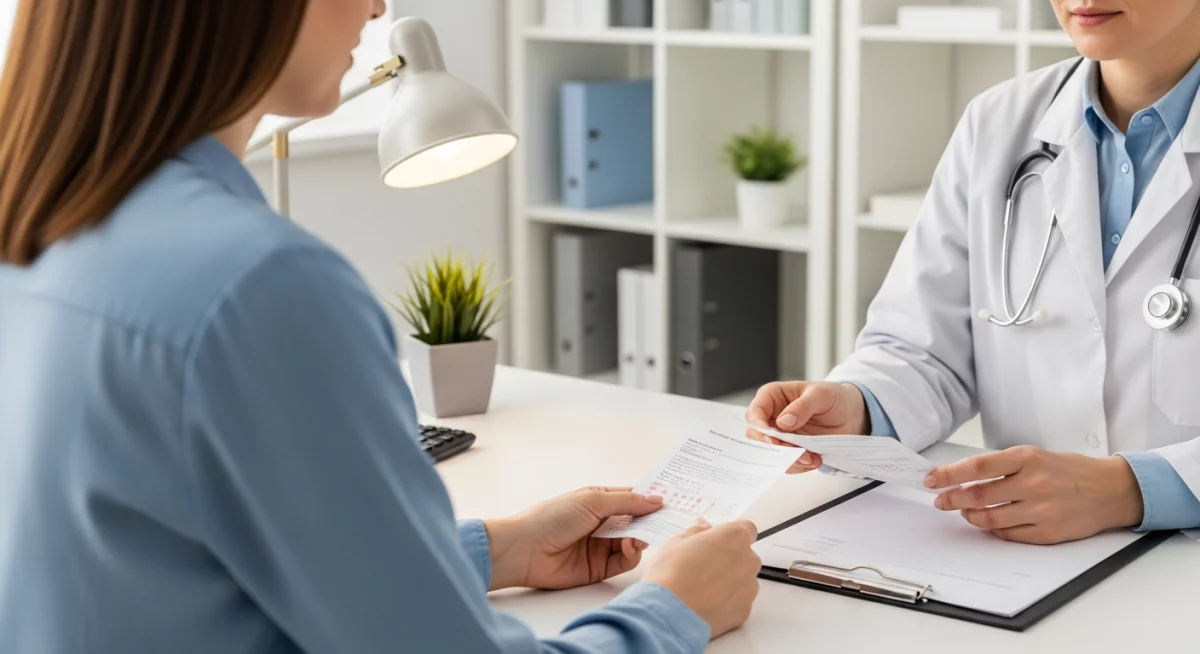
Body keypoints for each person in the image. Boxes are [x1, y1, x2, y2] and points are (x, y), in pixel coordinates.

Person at [0, 1, 762, 652]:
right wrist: (670, 611)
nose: (375, 7)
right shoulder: (258, 286)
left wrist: (498, 549)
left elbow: (167, 567)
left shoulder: (41, 227)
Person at [748, 0, 1200, 545]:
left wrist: (1130, 488)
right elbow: (925, 348)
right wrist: (861, 408)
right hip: (1020, 562)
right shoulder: (998, 124)